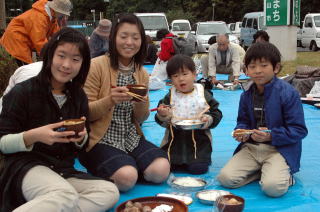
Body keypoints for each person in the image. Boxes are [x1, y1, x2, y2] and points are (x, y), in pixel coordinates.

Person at [0, 27, 119, 211]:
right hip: (26, 167)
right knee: (64, 195)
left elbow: (82, 139)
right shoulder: (23, 92)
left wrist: (81, 139)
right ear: (50, 55)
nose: (66, 65)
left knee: (109, 191)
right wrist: (33, 136)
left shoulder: (78, 95)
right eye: (61, 55)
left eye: (75, 59)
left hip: (61, 170)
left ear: (82, 64)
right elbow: (2, 143)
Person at [79, 13, 170, 192]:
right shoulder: (95, 66)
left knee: (160, 171)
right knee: (126, 178)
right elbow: (84, 113)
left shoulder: (141, 72)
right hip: (100, 139)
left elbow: (141, 118)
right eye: (124, 36)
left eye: (135, 37)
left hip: (129, 135)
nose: (129, 42)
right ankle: (118, 168)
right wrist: (110, 100)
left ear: (141, 41)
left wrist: (142, 102)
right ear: (113, 38)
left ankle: (125, 165)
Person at [217, 42, 308, 197]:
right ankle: (265, 172)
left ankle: (282, 176)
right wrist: (241, 132)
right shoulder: (246, 95)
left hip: (279, 149)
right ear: (246, 70)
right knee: (226, 179)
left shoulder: (288, 93)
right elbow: (243, 121)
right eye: (252, 66)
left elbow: (299, 130)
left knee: (273, 189)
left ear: (276, 68)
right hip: (252, 148)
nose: (258, 71)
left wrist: (272, 135)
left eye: (264, 65)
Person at [155, 54, 223, 175]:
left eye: (185, 74)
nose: (181, 79)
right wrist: (163, 114)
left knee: (198, 169)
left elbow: (216, 113)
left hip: (199, 143)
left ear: (194, 74)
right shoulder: (170, 96)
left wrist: (208, 118)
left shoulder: (203, 94)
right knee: (166, 167)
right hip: (174, 142)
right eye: (175, 76)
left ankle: (197, 160)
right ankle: (177, 160)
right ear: (170, 79)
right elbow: (160, 119)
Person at [0, 0, 72, 66]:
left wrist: (63, 43)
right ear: (57, 10)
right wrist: (50, 57)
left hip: (24, 38)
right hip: (17, 38)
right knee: (26, 67)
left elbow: (56, 34)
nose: (64, 17)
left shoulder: (52, 16)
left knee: (28, 66)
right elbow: (39, 41)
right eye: (63, 14)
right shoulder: (40, 18)